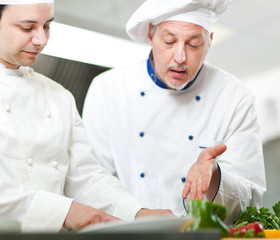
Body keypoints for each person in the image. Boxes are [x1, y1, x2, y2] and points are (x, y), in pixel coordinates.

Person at [0, 0, 175, 232]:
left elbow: (85, 177)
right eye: (27, 27)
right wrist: (65, 211)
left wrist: (137, 213)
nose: (41, 39)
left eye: (47, 26)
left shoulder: (58, 95)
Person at [82, 0, 266, 225]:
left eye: (194, 44)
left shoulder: (235, 98)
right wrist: (139, 214)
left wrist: (216, 176)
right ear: (151, 34)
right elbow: (92, 182)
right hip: (129, 231)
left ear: (210, 41)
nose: (180, 57)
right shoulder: (108, 90)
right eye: (169, 41)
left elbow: (251, 203)